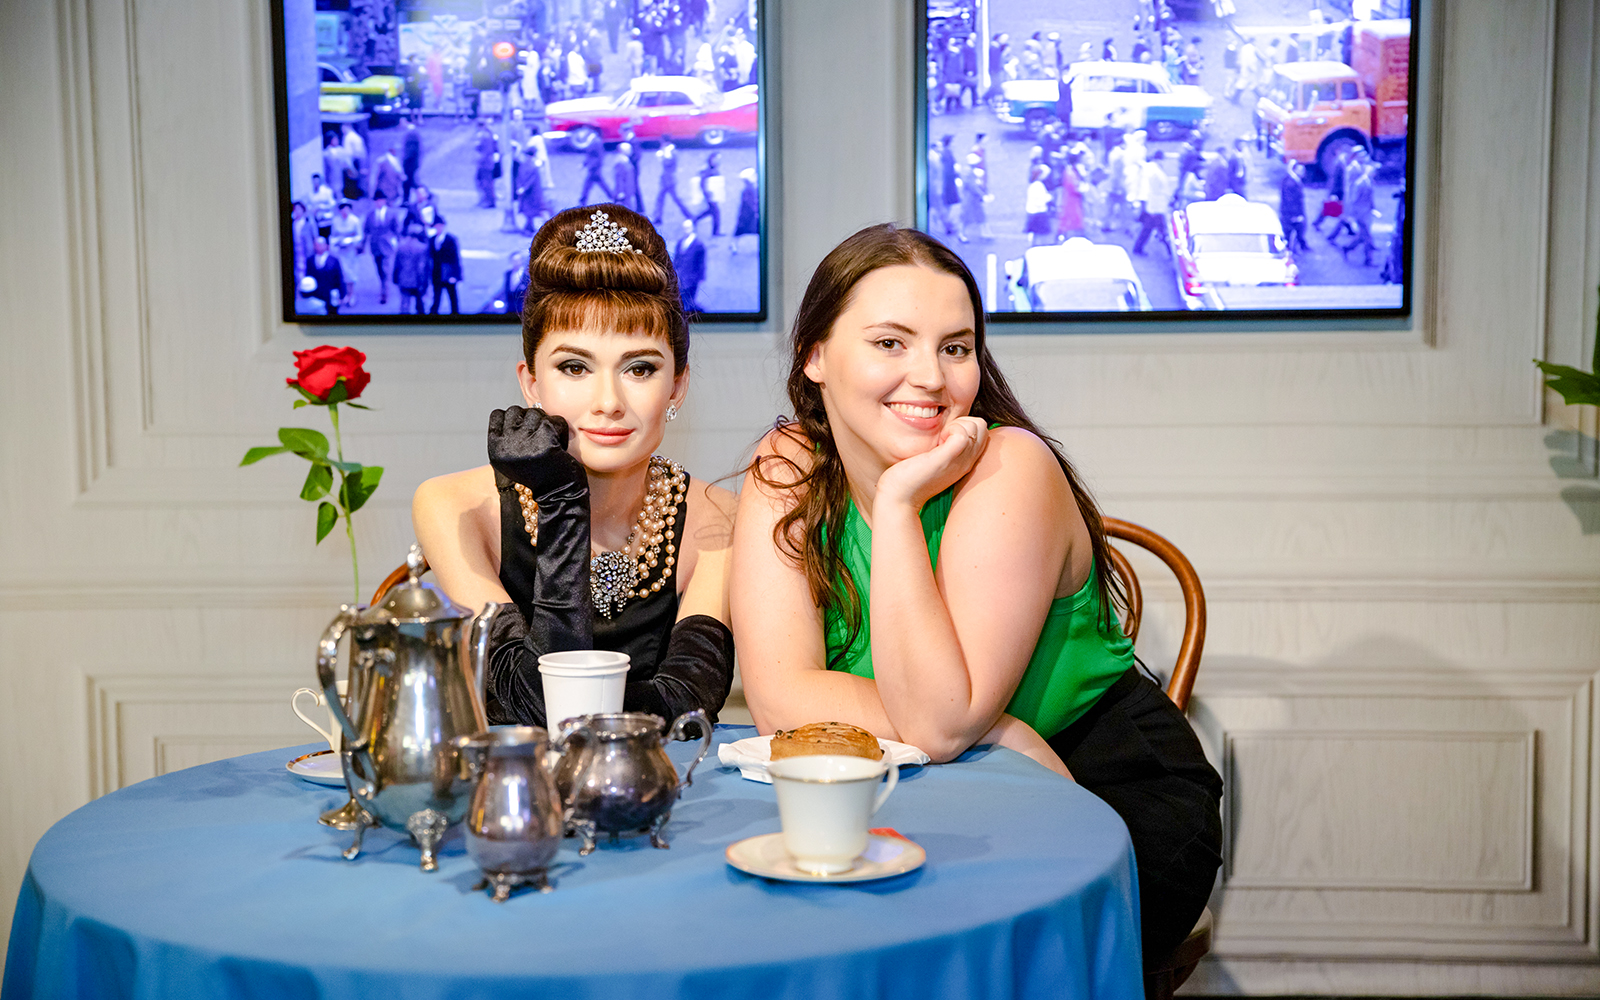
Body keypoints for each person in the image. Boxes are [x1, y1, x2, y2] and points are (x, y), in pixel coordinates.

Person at [729, 223, 1222, 963]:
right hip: (918, 782)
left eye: (955, 347)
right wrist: (995, 735)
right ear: (816, 355)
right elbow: (777, 697)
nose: (930, 376)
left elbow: (937, 724)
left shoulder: (1009, 467)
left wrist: (897, 506)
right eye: (891, 343)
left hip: (1099, 787)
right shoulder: (791, 466)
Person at [411, 204, 736, 731]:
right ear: (531, 383)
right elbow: (533, 706)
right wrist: (564, 503)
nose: (607, 401)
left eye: (640, 368)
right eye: (575, 367)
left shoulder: (720, 518)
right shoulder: (453, 506)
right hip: (508, 802)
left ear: (677, 385)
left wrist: (560, 499)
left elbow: (687, 711)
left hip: (658, 798)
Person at [363, 191, 400, 306]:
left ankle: (384, 292)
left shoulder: (391, 214)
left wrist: (398, 242)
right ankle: (383, 284)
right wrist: (362, 246)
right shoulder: (370, 215)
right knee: (379, 269)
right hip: (375, 246)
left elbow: (396, 230)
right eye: (376, 201)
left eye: (380, 200)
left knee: (386, 269)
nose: (378, 203)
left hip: (387, 245)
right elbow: (366, 231)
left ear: (384, 201)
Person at [330, 200, 365, 306]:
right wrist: (336, 242)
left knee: (351, 273)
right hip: (340, 250)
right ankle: (345, 294)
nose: (345, 211)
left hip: (351, 251)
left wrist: (350, 240)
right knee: (342, 272)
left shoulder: (355, 220)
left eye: (347, 209)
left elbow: (360, 236)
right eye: (342, 209)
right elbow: (333, 235)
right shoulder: (336, 221)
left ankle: (352, 294)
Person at [393, 223, 431, 315]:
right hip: (417, 281)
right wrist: (424, 282)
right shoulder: (422, 248)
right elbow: (422, 267)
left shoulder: (401, 246)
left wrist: (395, 278)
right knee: (420, 305)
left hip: (403, 279)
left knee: (404, 305)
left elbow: (396, 264)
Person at [428, 218, 461, 315]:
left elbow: (455, 258)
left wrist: (455, 275)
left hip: (448, 273)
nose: (438, 228)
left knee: (452, 296)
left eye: (440, 226)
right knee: (436, 296)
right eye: (436, 226)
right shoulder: (432, 240)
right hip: (437, 273)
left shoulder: (450, 240)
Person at [673, 218, 707, 312]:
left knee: (690, 296)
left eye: (688, 227)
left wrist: (700, 276)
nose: (686, 229)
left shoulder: (698, 244)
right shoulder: (680, 243)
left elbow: (701, 262)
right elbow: (677, 258)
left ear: (693, 228)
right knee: (682, 297)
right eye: (685, 227)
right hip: (681, 275)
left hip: (692, 276)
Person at [304, 238, 345, 315]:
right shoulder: (310, 260)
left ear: (326, 246)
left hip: (330, 294)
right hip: (316, 295)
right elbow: (307, 276)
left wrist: (342, 295)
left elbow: (339, 278)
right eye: (316, 245)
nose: (318, 247)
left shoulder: (333, 260)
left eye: (320, 244)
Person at [692, 152, 724, 236]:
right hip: (709, 195)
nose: (717, 162)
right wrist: (706, 193)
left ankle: (695, 219)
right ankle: (715, 232)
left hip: (714, 195)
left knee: (711, 211)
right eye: (715, 159)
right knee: (716, 212)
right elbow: (702, 183)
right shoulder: (707, 171)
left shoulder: (714, 170)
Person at [732, 167, 759, 254]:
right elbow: (750, 204)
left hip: (747, 215)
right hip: (748, 215)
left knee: (741, 231)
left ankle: (734, 245)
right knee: (742, 230)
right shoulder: (748, 191)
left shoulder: (750, 190)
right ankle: (734, 245)